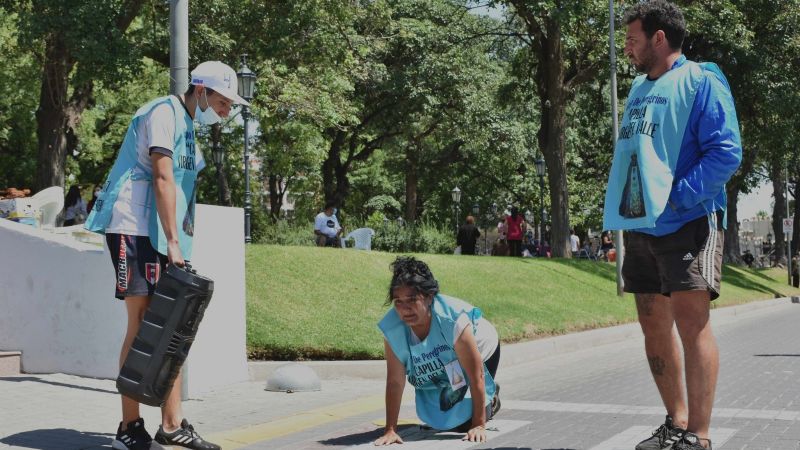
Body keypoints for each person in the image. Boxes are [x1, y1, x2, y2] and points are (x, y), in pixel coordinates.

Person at [84, 60, 249, 450]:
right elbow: (161, 177)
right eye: (224, 103)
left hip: (160, 232)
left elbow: (182, 187)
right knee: (142, 323)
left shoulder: (190, 127)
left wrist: (179, 240)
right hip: (133, 226)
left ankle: (172, 426)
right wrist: (173, 242)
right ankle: (129, 427)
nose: (227, 112)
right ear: (202, 90)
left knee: (172, 325)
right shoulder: (163, 113)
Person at [602, 2, 742, 449]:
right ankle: (676, 423)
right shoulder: (642, 87)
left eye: (632, 38)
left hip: (689, 220)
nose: (626, 47)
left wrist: (676, 197)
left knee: (691, 322)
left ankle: (698, 437)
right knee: (652, 322)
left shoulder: (702, 80)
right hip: (643, 226)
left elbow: (725, 153)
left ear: (658, 38)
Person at [374, 256, 500, 446]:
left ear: (430, 296)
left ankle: (491, 400)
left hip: (482, 349)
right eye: (398, 301)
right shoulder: (393, 328)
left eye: (412, 299)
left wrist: (479, 425)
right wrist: (390, 429)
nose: (404, 309)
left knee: (464, 424)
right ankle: (469, 404)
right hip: (446, 362)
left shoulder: (452, 320)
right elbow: (394, 381)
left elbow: (477, 375)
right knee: (443, 417)